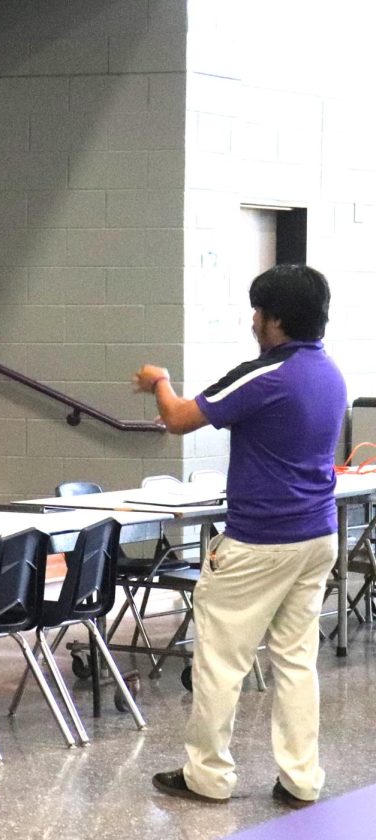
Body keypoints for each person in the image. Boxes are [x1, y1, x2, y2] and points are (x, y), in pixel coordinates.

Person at [136, 265, 346, 810]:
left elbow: (180, 418)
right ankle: (302, 780)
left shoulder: (264, 375)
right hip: (317, 534)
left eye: (257, 311)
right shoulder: (330, 373)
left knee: (220, 660)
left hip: (260, 542)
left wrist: (158, 380)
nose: (253, 321)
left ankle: (206, 775)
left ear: (274, 319)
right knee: (296, 660)